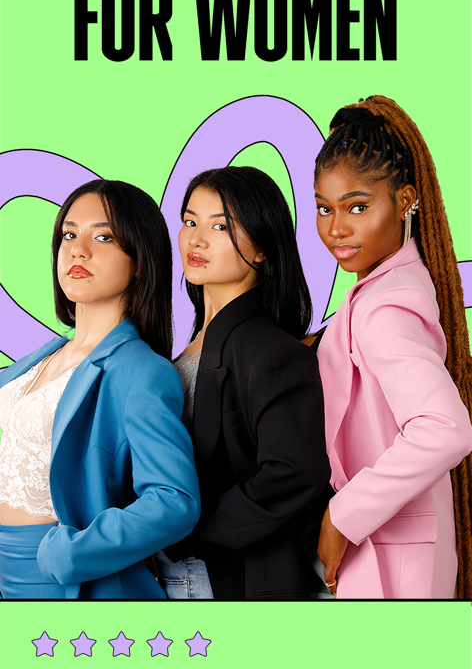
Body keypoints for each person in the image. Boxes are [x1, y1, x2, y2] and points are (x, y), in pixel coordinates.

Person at [0, 180, 200, 599]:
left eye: (104, 237)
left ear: (140, 260)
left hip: (61, 584)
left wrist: (72, 553)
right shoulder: (40, 357)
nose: (78, 250)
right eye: (69, 234)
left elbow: (174, 500)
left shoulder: (143, 372)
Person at [310, 96, 472, 599]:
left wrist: (343, 515)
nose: (336, 228)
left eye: (357, 207)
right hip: (398, 552)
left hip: (390, 563)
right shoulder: (390, 286)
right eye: (324, 208)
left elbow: (445, 428)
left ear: (405, 201)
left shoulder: (385, 307)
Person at [154, 166, 331, 600]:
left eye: (220, 227)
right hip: (167, 574)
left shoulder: (274, 352)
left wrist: (184, 532)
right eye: (190, 221)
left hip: (220, 578)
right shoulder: (186, 347)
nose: (196, 240)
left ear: (264, 247)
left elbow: (293, 475)